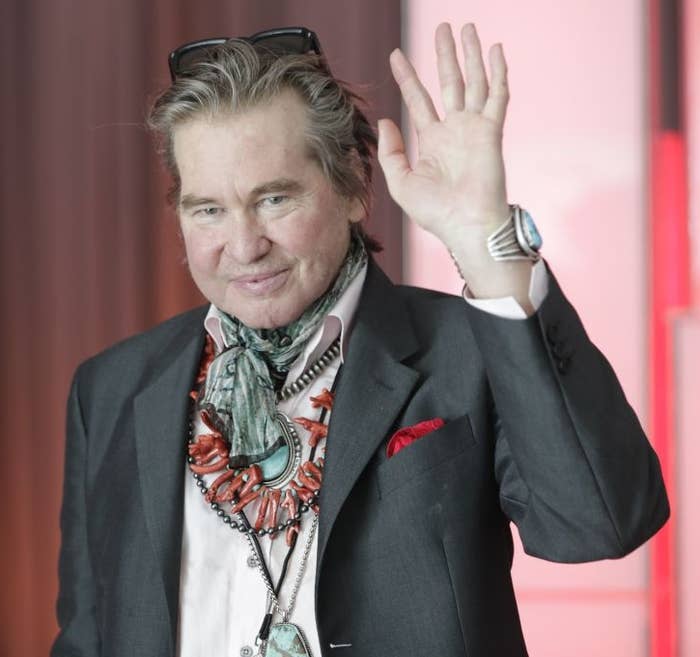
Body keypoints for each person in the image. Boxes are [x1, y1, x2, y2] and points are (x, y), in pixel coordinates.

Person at [52, 23, 669, 657]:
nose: (243, 246)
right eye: (208, 209)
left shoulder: (470, 349)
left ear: (351, 186)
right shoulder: (110, 390)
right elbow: (85, 640)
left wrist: (486, 242)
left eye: (274, 199)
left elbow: (600, 523)